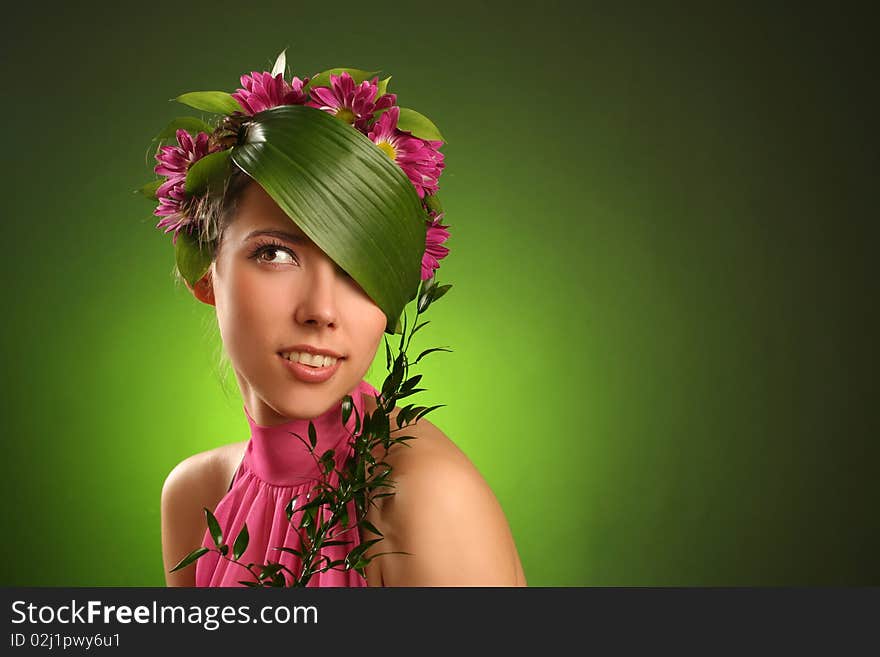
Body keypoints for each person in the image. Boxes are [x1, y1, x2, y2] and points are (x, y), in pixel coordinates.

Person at [151, 52, 526, 587]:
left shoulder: (422, 498)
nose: (322, 311)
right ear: (206, 273)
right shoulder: (195, 498)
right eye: (277, 254)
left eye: (360, 266)